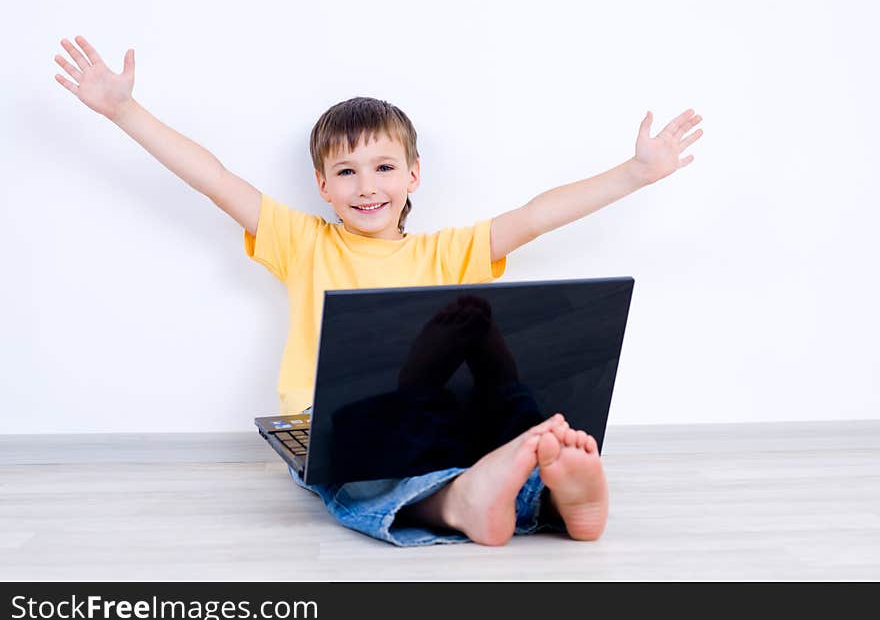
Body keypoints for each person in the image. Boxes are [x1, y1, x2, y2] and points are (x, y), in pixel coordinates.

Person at [54, 35, 703, 547]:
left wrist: (635, 174)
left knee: (466, 427)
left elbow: (537, 214)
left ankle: (541, 490)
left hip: (437, 425)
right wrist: (123, 110)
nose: (367, 186)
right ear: (323, 186)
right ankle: (486, 500)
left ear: (413, 175)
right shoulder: (302, 242)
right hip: (340, 431)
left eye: (384, 167)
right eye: (347, 171)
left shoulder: (448, 252)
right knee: (366, 480)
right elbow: (214, 179)